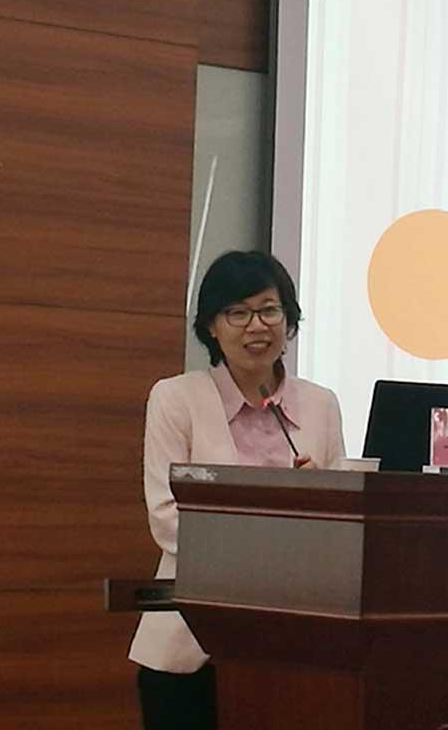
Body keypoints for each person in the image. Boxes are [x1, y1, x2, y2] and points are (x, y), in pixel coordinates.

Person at [128, 250, 345, 730]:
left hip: (295, 648)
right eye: (238, 313)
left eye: (269, 310)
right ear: (211, 326)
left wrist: (323, 501)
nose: (257, 326)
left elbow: (343, 530)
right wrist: (267, 549)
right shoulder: (176, 398)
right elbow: (167, 518)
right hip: (190, 647)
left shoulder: (321, 405)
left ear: (289, 320)